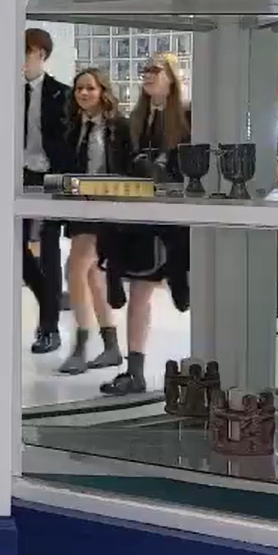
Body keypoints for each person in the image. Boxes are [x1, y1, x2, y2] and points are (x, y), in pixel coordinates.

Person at [102, 53, 192, 396]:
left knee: (188, 289)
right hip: (141, 220)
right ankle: (134, 371)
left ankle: (205, 370)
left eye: (156, 69)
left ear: (171, 76)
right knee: (139, 292)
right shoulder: (132, 122)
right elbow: (123, 167)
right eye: (146, 70)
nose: (148, 75)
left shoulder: (187, 118)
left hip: (177, 221)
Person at [56, 68, 130, 375]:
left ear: (103, 91)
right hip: (79, 208)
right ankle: (110, 345)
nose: (83, 94)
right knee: (90, 277)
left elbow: (126, 168)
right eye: (78, 90)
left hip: (107, 208)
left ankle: (81, 344)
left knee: (75, 267)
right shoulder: (73, 127)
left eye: (90, 88)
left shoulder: (119, 127)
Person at [22, 28, 70, 355]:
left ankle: (49, 327)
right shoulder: (8, 92)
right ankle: (47, 298)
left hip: (51, 178)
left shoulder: (61, 94)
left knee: (50, 250)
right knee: (17, 250)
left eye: (25, 52)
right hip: (18, 176)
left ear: (40, 53)